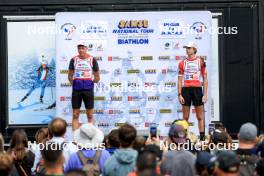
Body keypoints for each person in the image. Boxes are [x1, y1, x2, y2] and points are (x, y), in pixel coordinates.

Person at [178, 41, 208, 140]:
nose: (187, 49)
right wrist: (179, 94)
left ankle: (202, 139)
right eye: (186, 48)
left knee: (200, 117)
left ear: (194, 49)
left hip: (197, 90)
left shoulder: (201, 61)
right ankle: (184, 138)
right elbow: (179, 80)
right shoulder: (182, 63)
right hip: (186, 90)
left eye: (189, 48)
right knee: (185, 117)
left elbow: (205, 78)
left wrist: (205, 94)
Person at [68, 40, 100, 131]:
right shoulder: (74, 60)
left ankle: (90, 136)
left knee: (90, 115)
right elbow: (70, 76)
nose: (81, 50)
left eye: (83, 48)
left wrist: (89, 83)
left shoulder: (92, 59)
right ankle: (75, 138)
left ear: (86, 49)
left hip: (88, 89)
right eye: (79, 48)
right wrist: (75, 83)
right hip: (77, 90)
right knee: (75, 114)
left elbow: (97, 77)